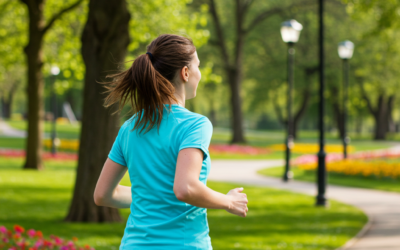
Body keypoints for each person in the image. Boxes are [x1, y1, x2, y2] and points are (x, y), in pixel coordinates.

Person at [93, 34, 248, 249]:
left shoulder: (130, 127)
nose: (199, 74)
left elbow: (103, 195)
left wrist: (150, 196)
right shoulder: (194, 125)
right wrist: (228, 201)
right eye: (198, 66)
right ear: (185, 72)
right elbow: (185, 189)